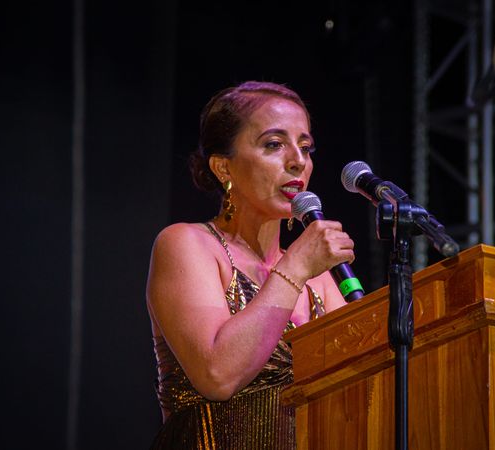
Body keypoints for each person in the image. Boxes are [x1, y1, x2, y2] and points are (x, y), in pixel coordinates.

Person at [146, 81, 356, 449]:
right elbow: (217, 375)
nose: (298, 160)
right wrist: (294, 268)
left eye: (305, 147)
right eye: (274, 144)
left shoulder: (321, 281)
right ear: (223, 167)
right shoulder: (187, 244)